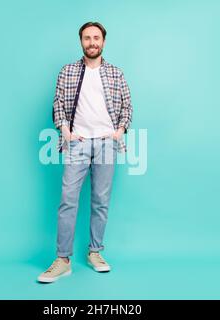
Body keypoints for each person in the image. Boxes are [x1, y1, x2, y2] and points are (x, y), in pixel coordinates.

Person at [38, 21, 133, 283]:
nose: (92, 42)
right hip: (77, 143)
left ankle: (95, 252)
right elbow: (58, 103)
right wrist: (65, 131)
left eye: (96, 38)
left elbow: (127, 106)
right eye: (87, 38)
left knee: (100, 201)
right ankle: (62, 260)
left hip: (106, 142)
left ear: (103, 41)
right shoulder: (67, 71)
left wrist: (119, 131)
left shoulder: (116, 73)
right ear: (81, 41)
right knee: (68, 199)